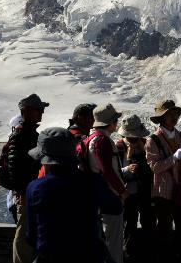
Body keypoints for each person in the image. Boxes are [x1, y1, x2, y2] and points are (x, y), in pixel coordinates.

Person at [25, 127, 118, 263]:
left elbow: (31, 236)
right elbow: (116, 207)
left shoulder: (35, 188)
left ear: (45, 159)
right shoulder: (92, 182)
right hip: (89, 255)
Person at [146, 100, 181, 263]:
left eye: (175, 114)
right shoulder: (153, 140)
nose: (174, 117)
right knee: (164, 232)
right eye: (169, 115)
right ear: (161, 118)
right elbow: (155, 167)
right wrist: (173, 158)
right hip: (164, 194)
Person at [84, 104, 127, 263]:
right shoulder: (103, 140)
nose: (117, 123)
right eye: (115, 120)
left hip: (97, 194)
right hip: (109, 197)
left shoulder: (91, 138)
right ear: (109, 122)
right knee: (114, 243)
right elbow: (108, 170)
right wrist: (122, 191)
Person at [8, 94, 49, 263]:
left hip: (30, 191)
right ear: (26, 111)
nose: (41, 113)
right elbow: (15, 168)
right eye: (38, 109)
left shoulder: (29, 133)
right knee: (24, 232)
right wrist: (22, 191)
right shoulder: (21, 135)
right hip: (26, 193)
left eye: (42, 110)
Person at [117, 115, 155, 261]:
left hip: (146, 191)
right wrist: (129, 155)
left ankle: (148, 253)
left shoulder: (146, 143)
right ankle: (129, 254)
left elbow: (154, 166)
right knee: (129, 225)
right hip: (128, 193)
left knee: (149, 223)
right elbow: (116, 172)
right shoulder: (119, 147)